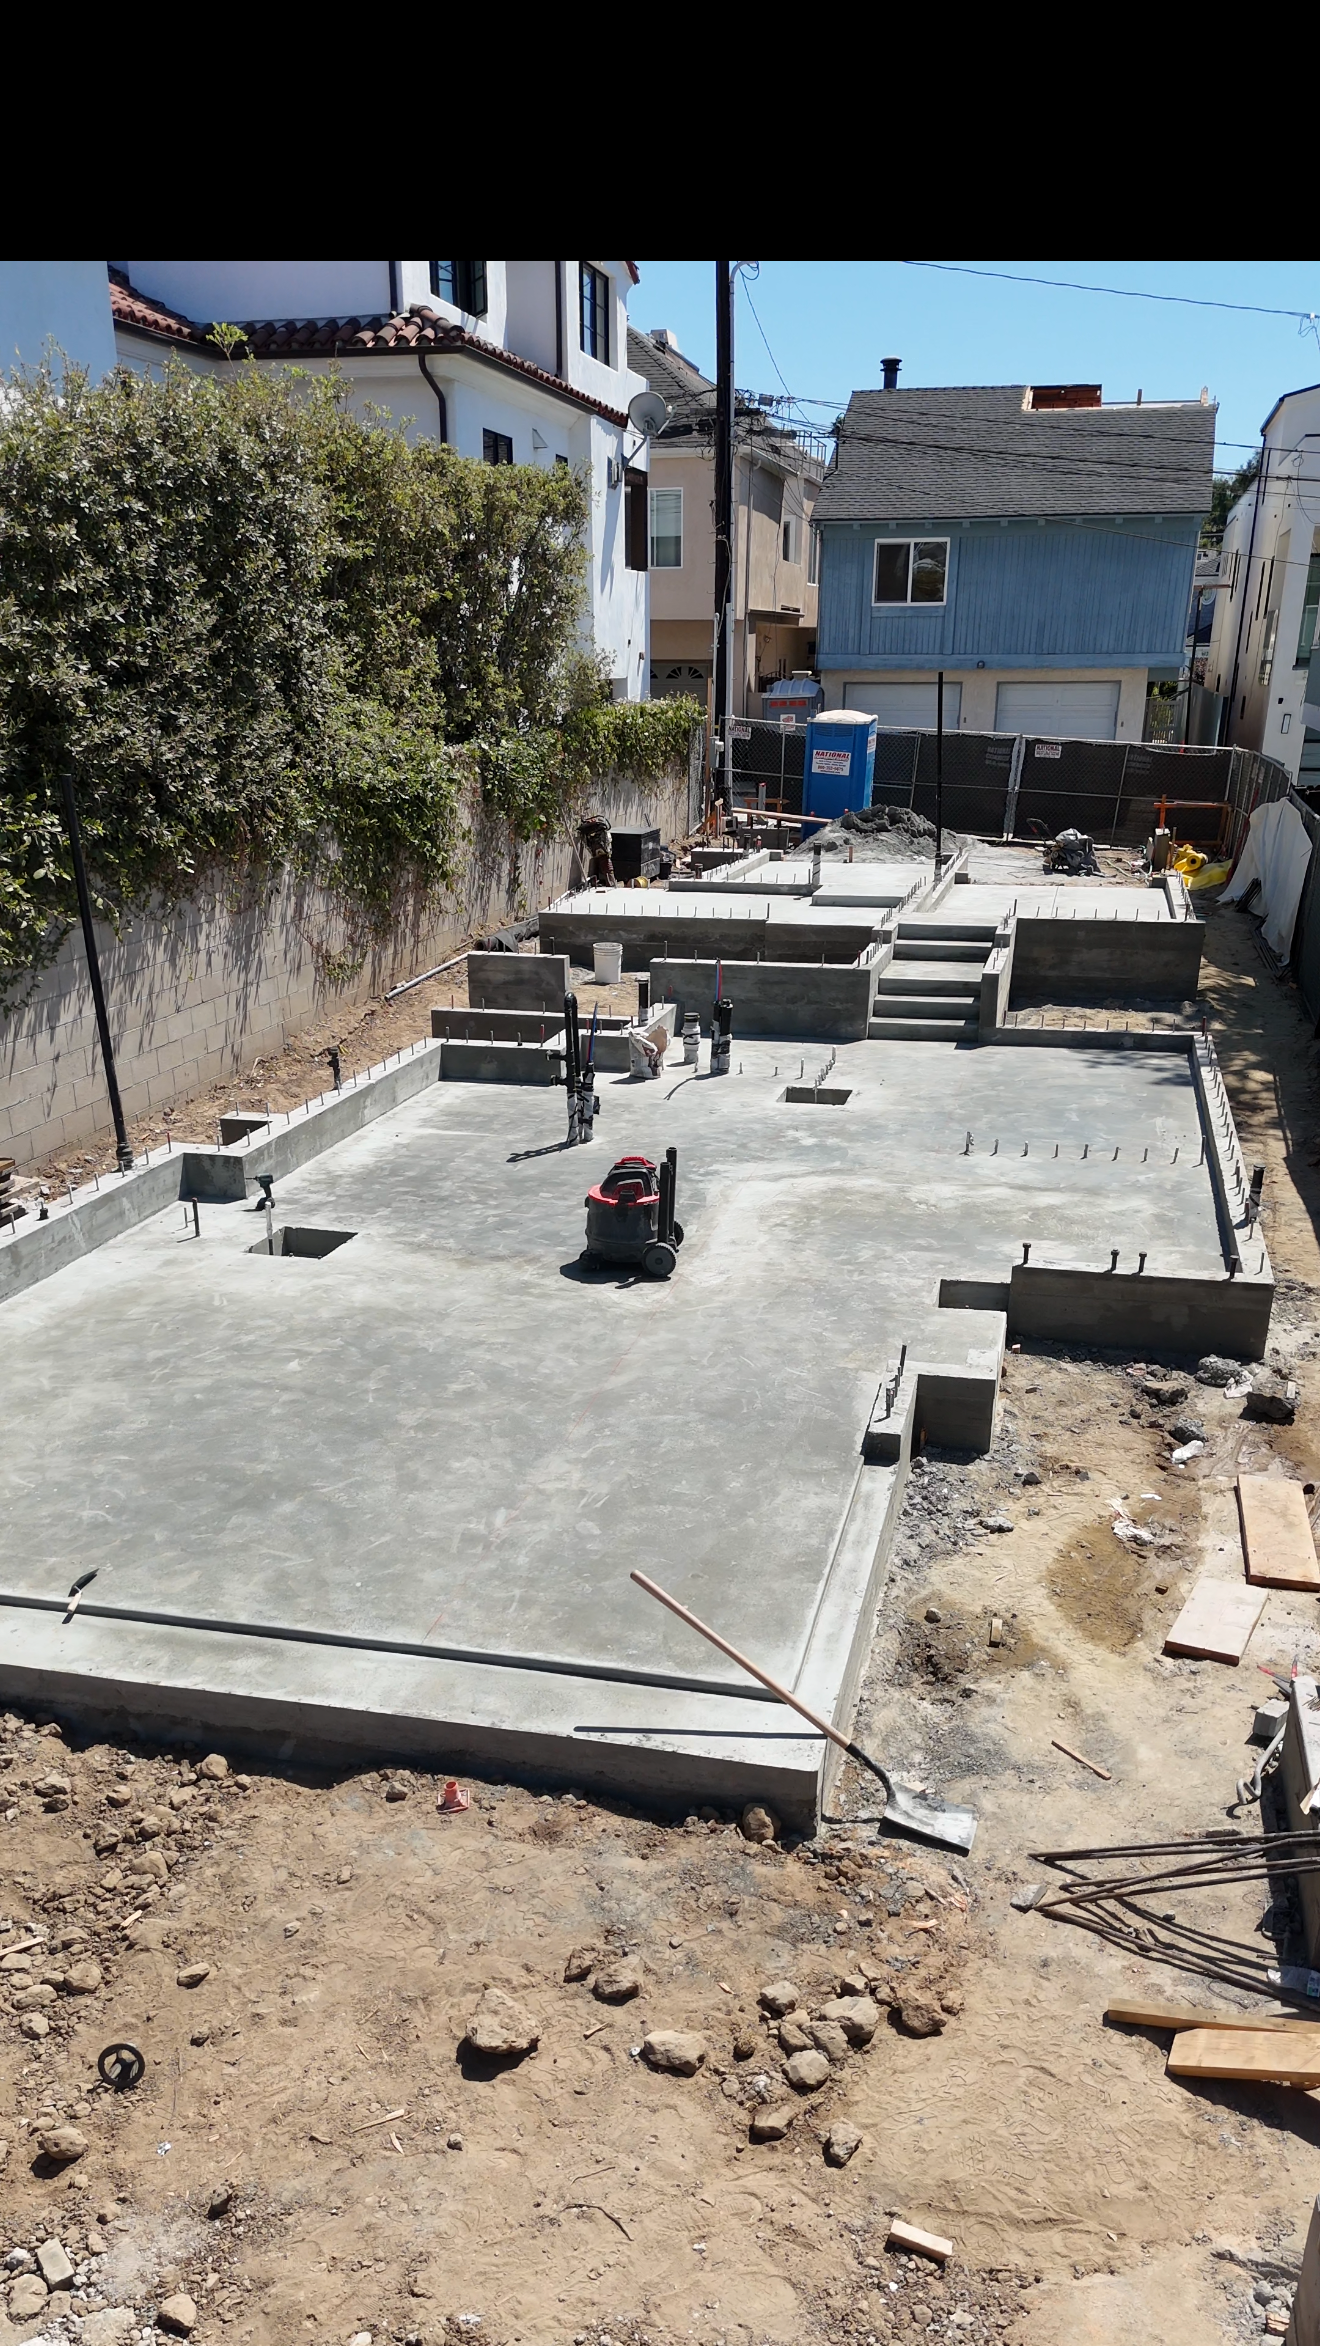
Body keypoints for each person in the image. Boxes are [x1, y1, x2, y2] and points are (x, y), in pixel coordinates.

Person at [577, 815, 615, 888]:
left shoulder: (604, 838)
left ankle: (610, 882)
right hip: (603, 852)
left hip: (604, 852)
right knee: (606, 866)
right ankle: (609, 882)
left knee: (607, 867)